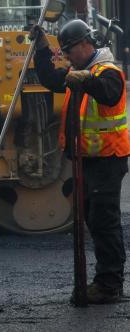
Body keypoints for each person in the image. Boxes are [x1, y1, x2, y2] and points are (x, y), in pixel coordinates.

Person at [30, 19, 130, 304]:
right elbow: (50, 78)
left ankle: (109, 285)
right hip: (89, 160)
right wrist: (41, 48)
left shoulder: (108, 72)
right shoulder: (82, 70)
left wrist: (84, 79)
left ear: (85, 45)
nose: (68, 58)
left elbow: (108, 94)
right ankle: (105, 281)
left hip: (107, 160)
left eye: (69, 51)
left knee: (104, 222)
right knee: (93, 219)